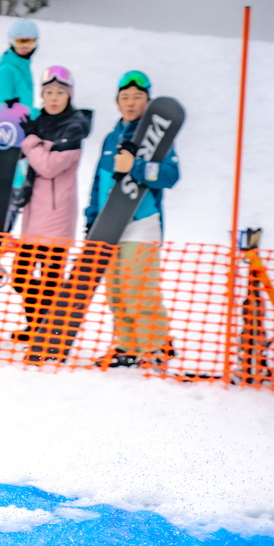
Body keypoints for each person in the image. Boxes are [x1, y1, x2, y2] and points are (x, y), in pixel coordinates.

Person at [87, 70, 180, 369]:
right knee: (115, 290)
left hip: (141, 224)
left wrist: (136, 166)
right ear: (117, 103)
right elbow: (98, 182)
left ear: (148, 102)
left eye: (137, 97)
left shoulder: (157, 138)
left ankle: (155, 347)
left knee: (138, 288)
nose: (130, 103)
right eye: (125, 97)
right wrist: (91, 219)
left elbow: (170, 176)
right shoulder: (111, 138)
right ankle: (127, 347)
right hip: (110, 224)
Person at [9, 66, 90, 342]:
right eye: (48, 92)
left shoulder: (74, 127)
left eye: (59, 92)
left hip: (57, 215)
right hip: (33, 214)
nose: (54, 98)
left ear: (69, 95)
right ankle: (36, 325)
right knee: (21, 277)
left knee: (50, 281)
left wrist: (31, 142)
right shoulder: (39, 121)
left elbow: (49, 165)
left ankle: (44, 329)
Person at [0, 19, 38, 111]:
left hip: (23, 120)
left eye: (30, 42)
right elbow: (4, 107)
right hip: (12, 122)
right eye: (20, 42)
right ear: (12, 42)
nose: (25, 47)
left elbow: (25, 105)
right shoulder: (6, 69)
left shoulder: (22, 64)